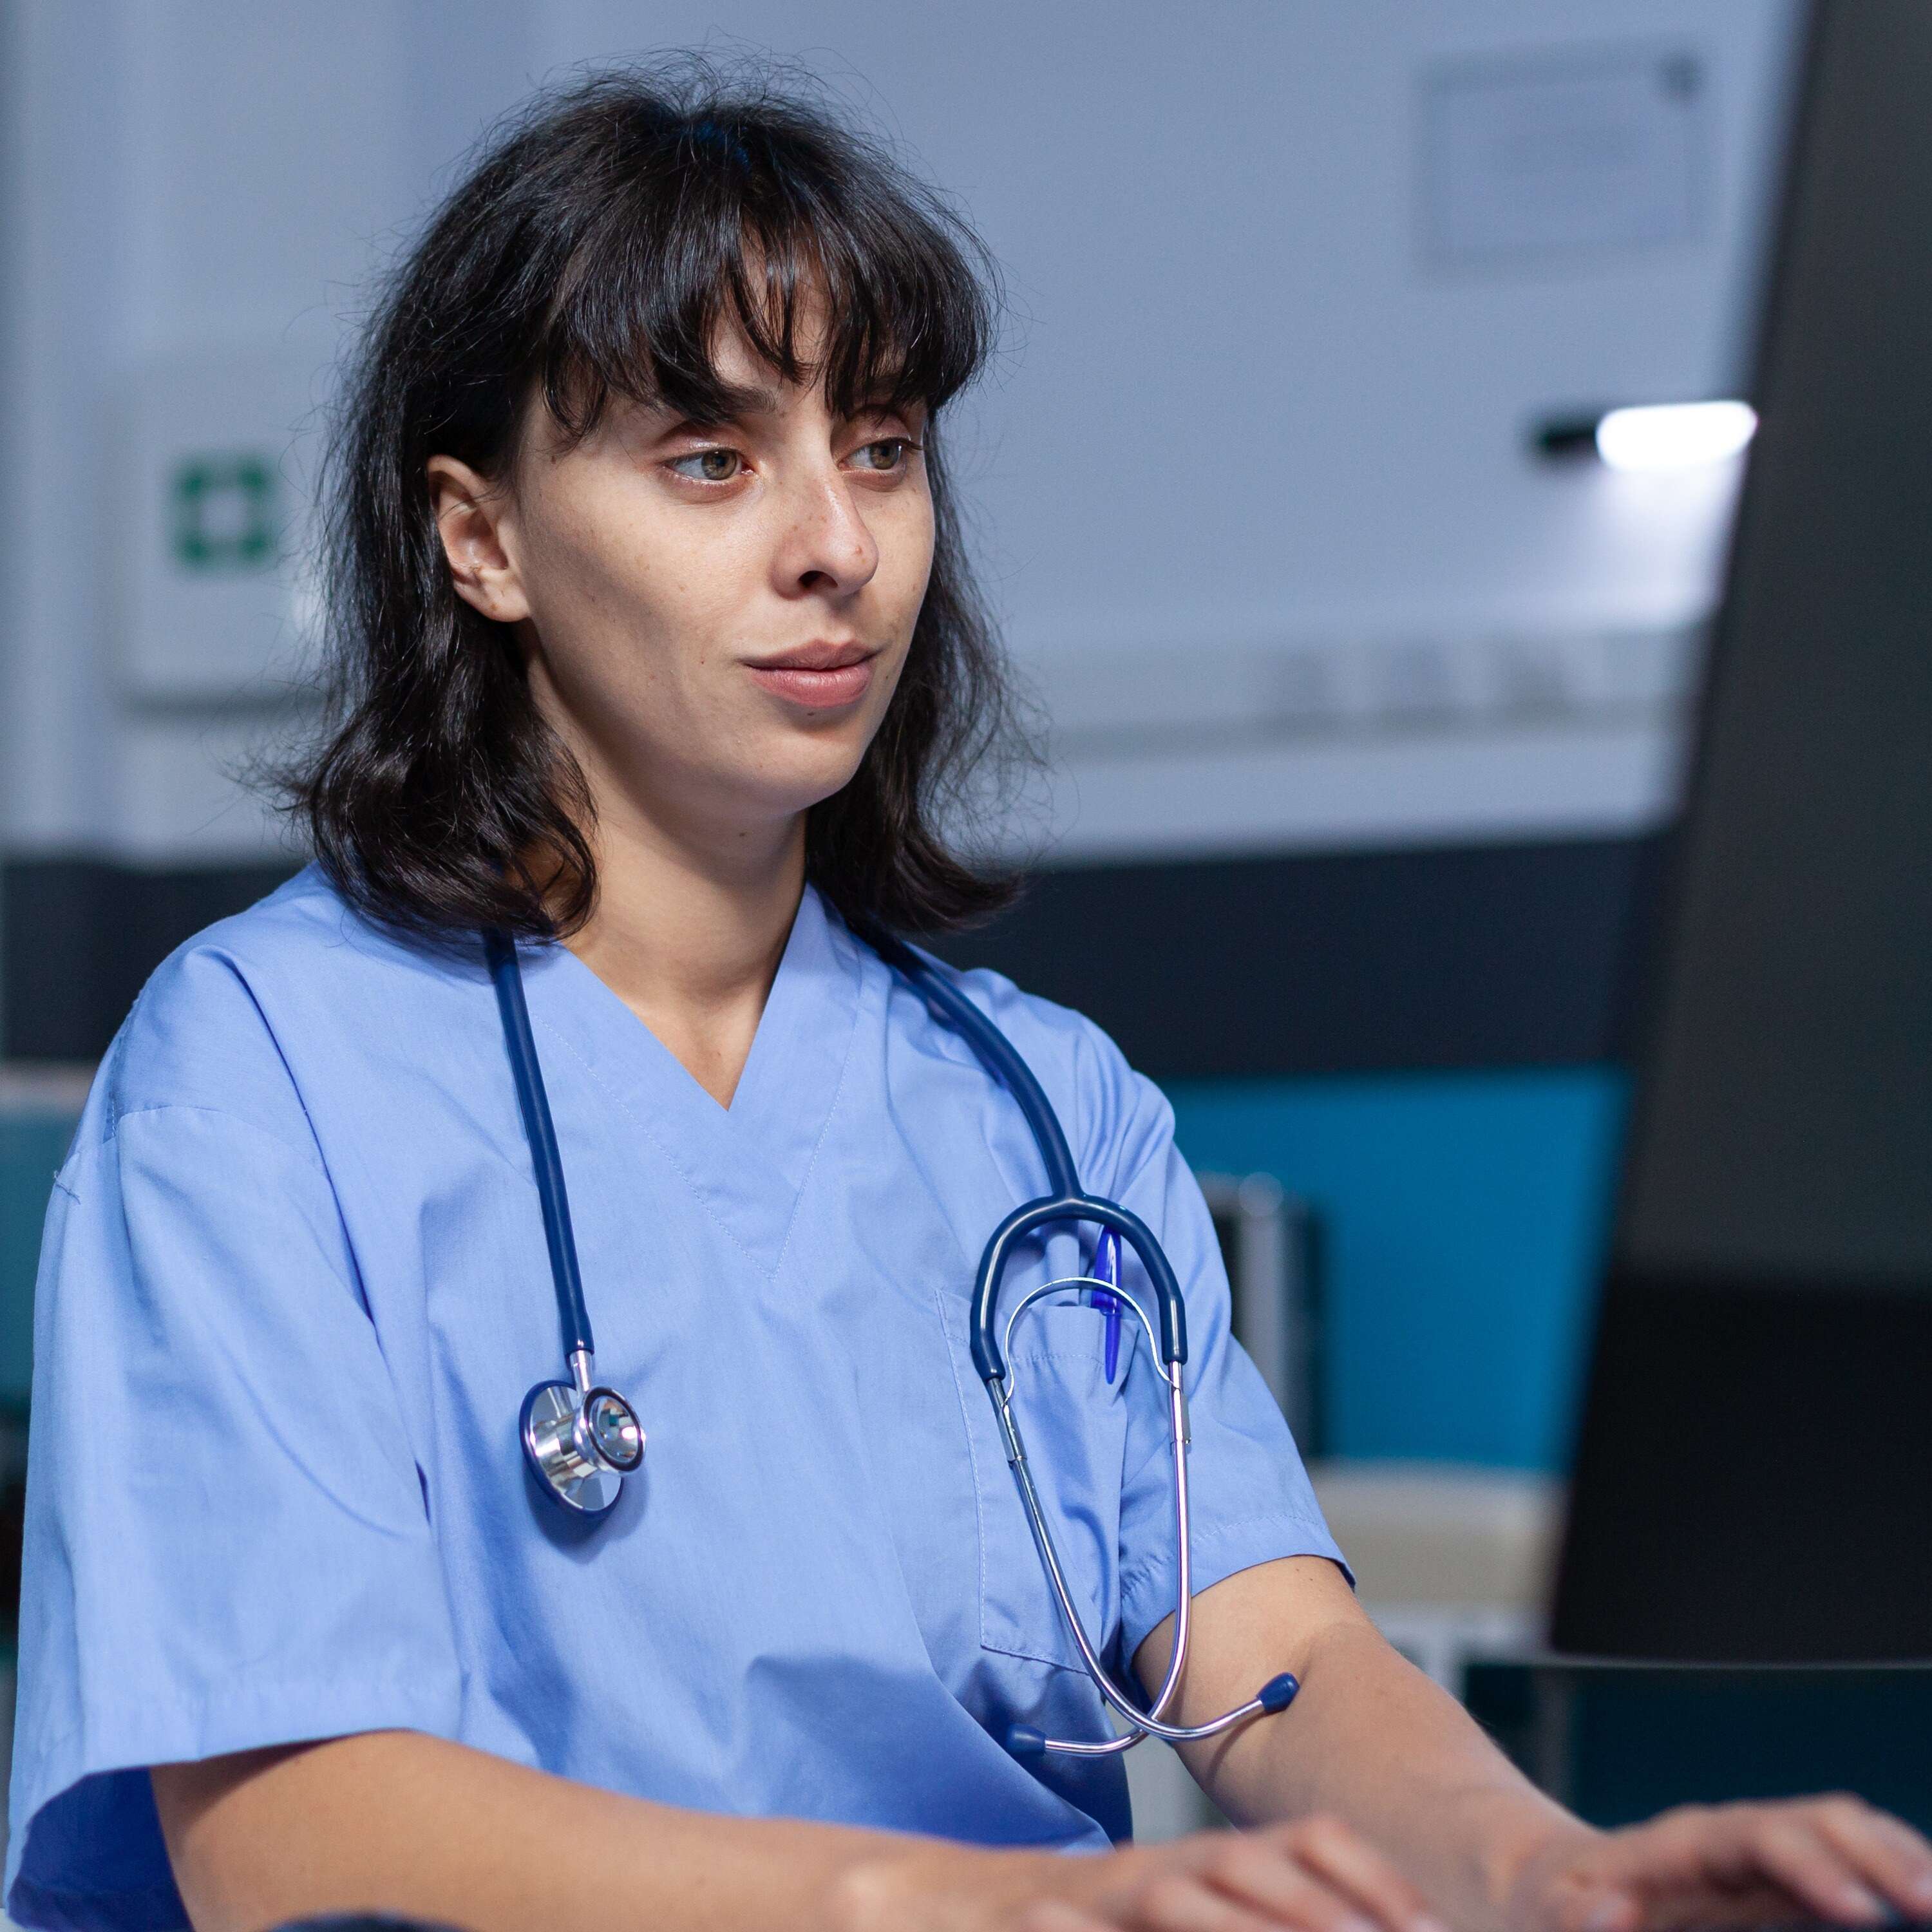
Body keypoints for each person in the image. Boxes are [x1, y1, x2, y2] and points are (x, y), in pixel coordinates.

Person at [9, 60, 1931, 1932]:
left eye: (882, 447)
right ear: (482, 539)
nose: (836, 545)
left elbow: (1277, 1667)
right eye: (708, 459)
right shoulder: (262, 1074)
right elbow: (286, 1831)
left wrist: (1546, 1874)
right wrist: (956, 1900)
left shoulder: (1041, 1111)